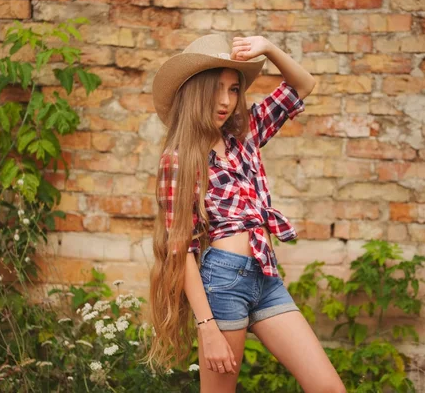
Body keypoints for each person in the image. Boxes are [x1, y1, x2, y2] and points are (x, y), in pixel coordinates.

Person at [145, 34, 346, 393]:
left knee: (328, 387)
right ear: (195, 91)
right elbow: (181, 248)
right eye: (216, 89)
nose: (225, 101)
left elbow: (303, 85)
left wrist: (267, 48)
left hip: (266, 276)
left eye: (234, 89)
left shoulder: (247, 133)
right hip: (222, 283)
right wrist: (206, 327)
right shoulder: (178, 158)